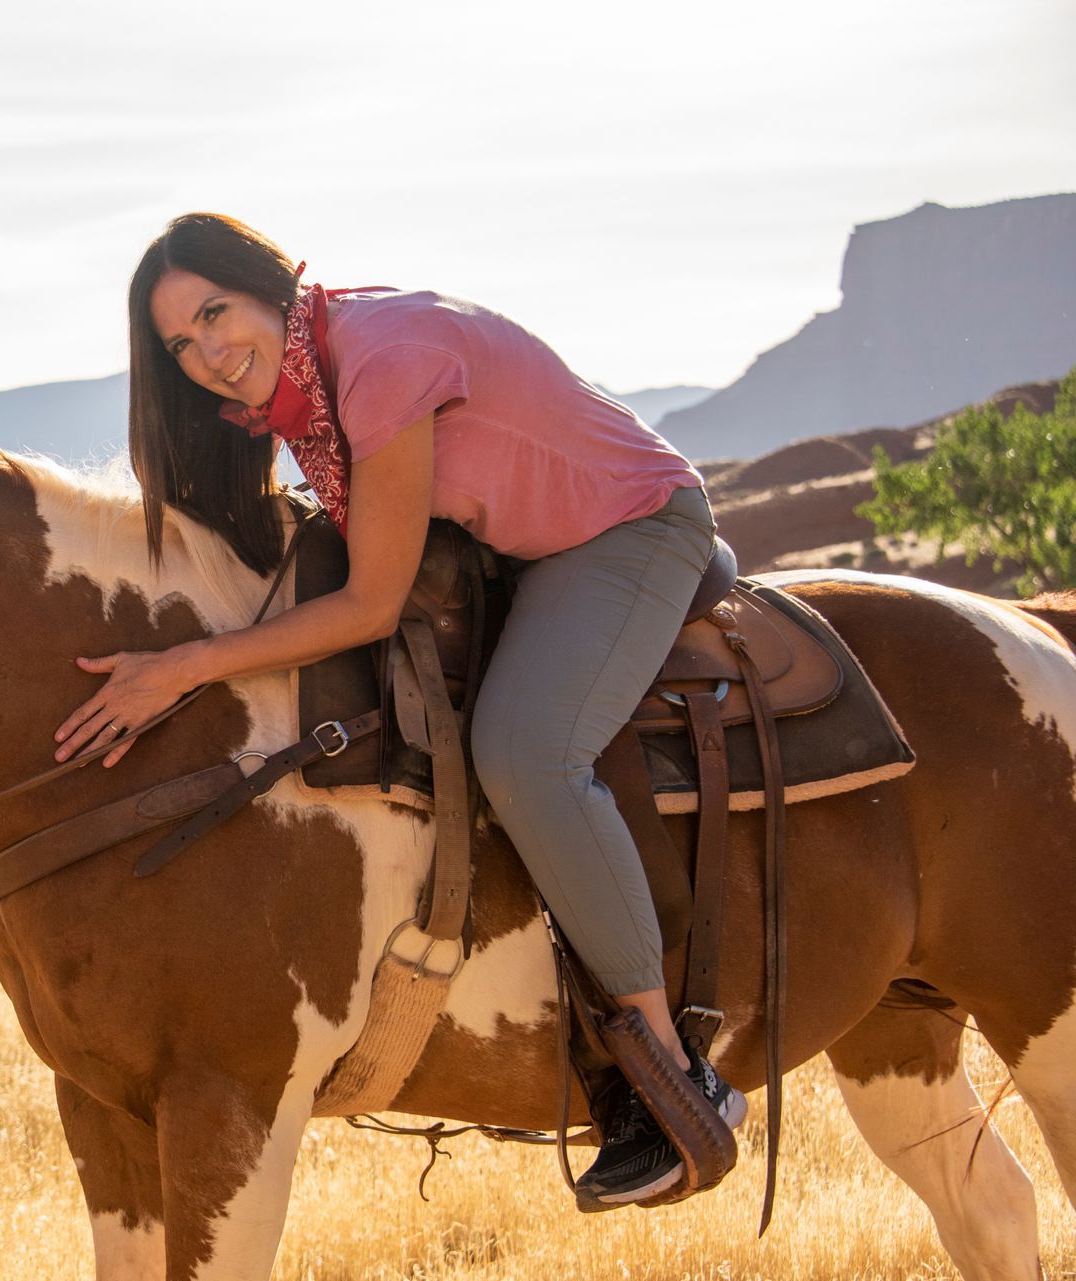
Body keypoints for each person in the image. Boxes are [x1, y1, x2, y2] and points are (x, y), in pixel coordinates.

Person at [51, 211, 746, 1209]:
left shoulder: (378, 360)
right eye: (180, 345)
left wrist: (187, 666)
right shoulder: (299, 387)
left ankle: (672, 1080)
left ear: (271, 284)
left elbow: (371, 601)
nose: (207, 355)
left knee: (525, 753)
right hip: (515, 548)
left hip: (625, 530)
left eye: (215, 314)